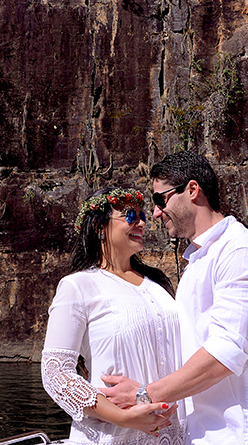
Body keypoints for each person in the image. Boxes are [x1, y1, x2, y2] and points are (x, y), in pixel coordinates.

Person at [100, 151, 248, 444]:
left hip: (236, 435)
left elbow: (225, 353)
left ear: (192, 190)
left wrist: (144, 394)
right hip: (199, 434)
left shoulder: (240, 252)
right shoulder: (200, 259)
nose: (157, 213)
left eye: (160, 200)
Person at [41, 187, 186, 444]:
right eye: (130, 215)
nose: (141, 222)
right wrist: (123, 418)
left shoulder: (158, 286)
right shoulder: (78, 286)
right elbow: (56, 373)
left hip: (174, 434)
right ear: (99, 227)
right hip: (113, 436)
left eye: (142, 216)